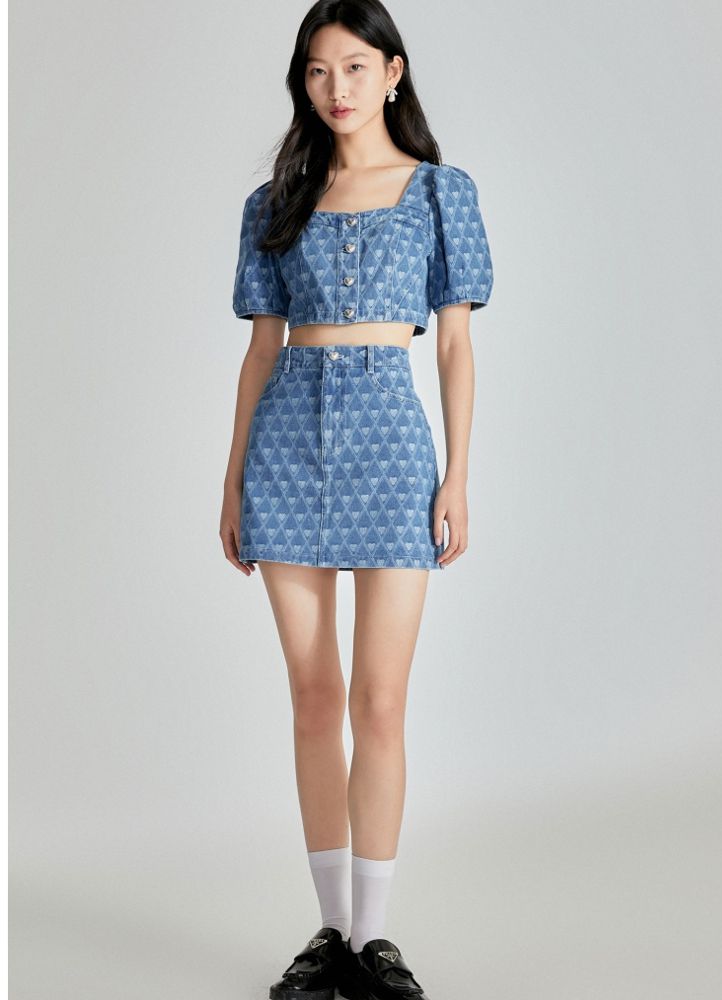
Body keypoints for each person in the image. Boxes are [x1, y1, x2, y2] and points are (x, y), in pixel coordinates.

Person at [220, 1, 493, 997]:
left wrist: (458, 473)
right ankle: (329, 932)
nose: (335, 88)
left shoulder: (441, 193)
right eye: (316, 70)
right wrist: (232, 477)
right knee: (313, 697)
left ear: (393, 72)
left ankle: (375, 941)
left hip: (392, 446)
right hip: (287, 444)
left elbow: (455, 344)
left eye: (353, 67)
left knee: (379, 702)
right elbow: (260, 352)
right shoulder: (275, 202)